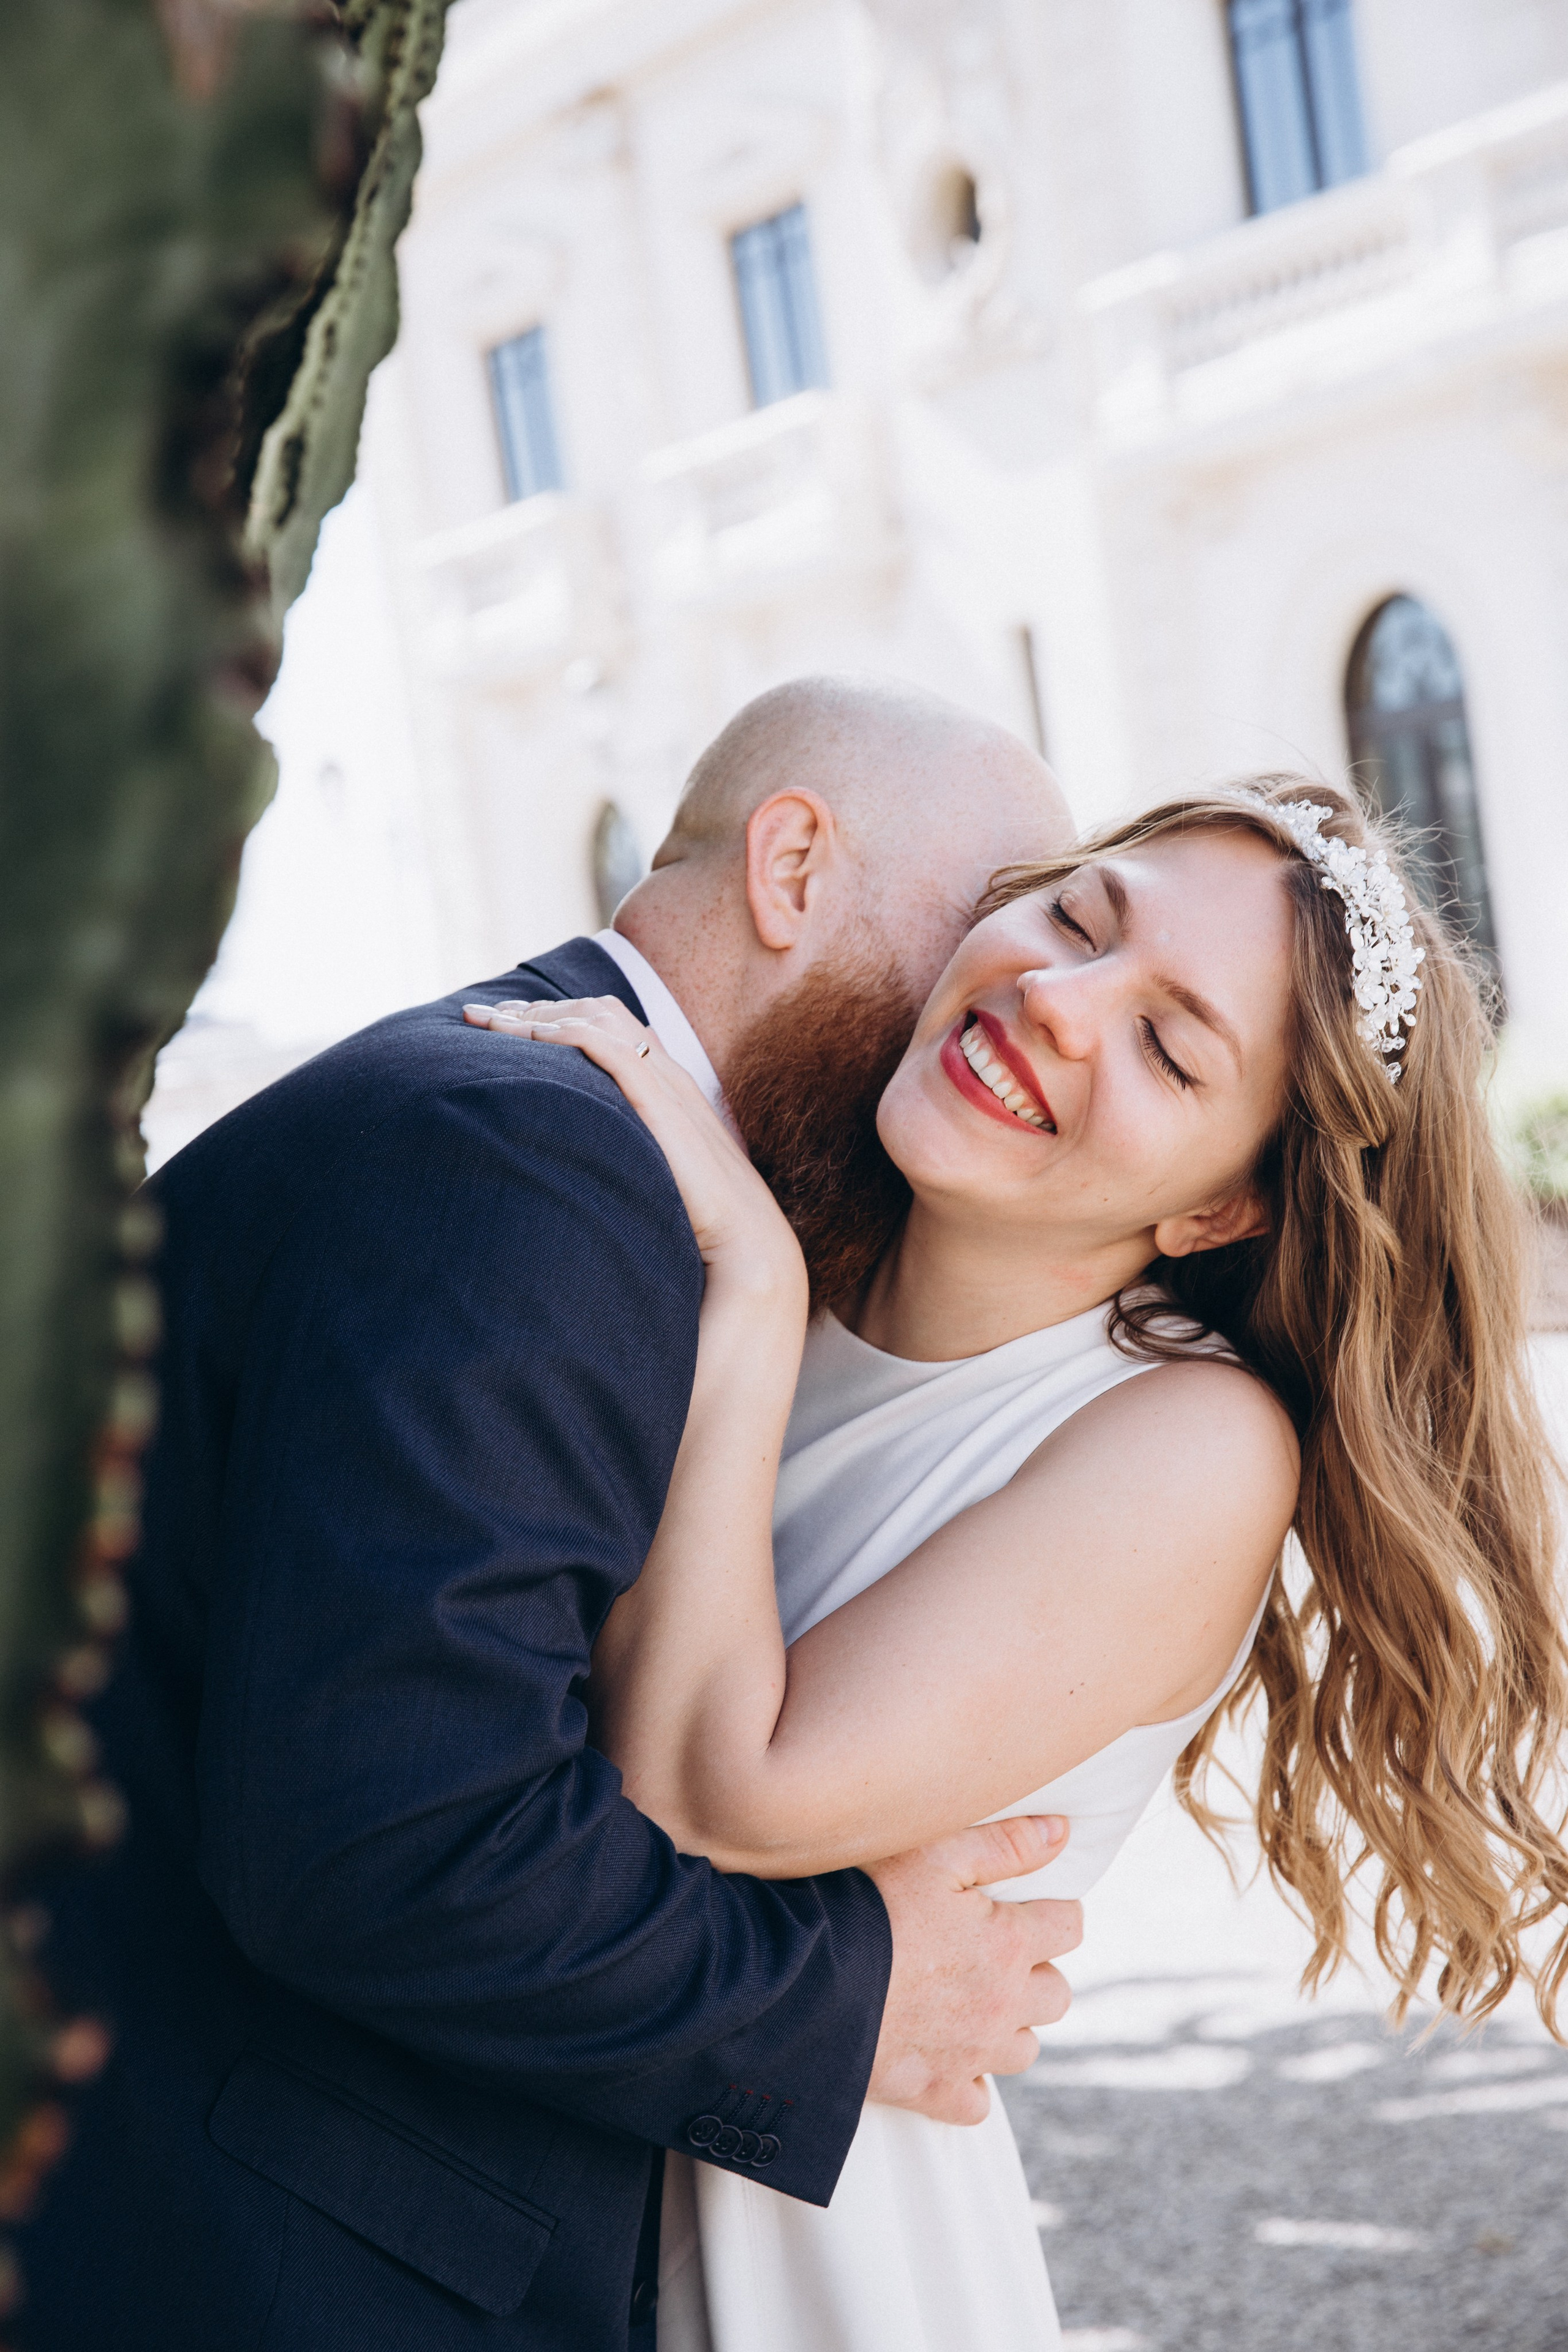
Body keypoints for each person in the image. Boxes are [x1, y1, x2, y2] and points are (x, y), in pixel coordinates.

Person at [16, 679, 1080, 2352]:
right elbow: (388, 1843)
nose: (1006, 1009)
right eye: (998, 923)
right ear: (792, 868)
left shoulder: (565, 1148)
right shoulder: (536, 1165)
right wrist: (842, 1999)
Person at [468, 774, 1568, 2350]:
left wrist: (752, 1303)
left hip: (796, 2246)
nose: (1056, 1003)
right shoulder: (765, 1248)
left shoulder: (1187, 1445)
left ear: (1223, 1202)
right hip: (518, 2169)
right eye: (1073, 918)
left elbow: (715, 1793)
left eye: (1168, 1046)